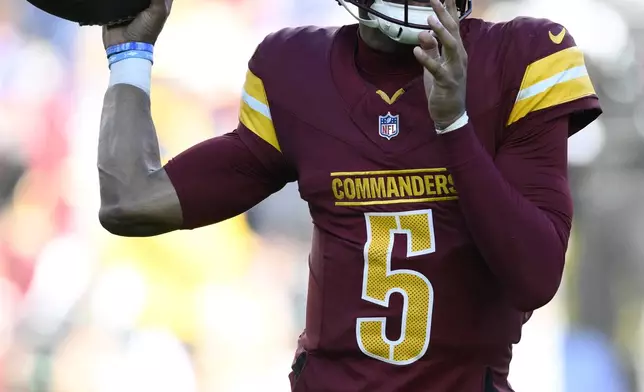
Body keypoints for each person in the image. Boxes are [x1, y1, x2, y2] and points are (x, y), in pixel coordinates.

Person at [97, 0, 602, 390]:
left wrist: (455, 124)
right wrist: (129, 55)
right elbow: (132, 200)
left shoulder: (523, 56)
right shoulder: (295, 71)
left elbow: (535, 276)